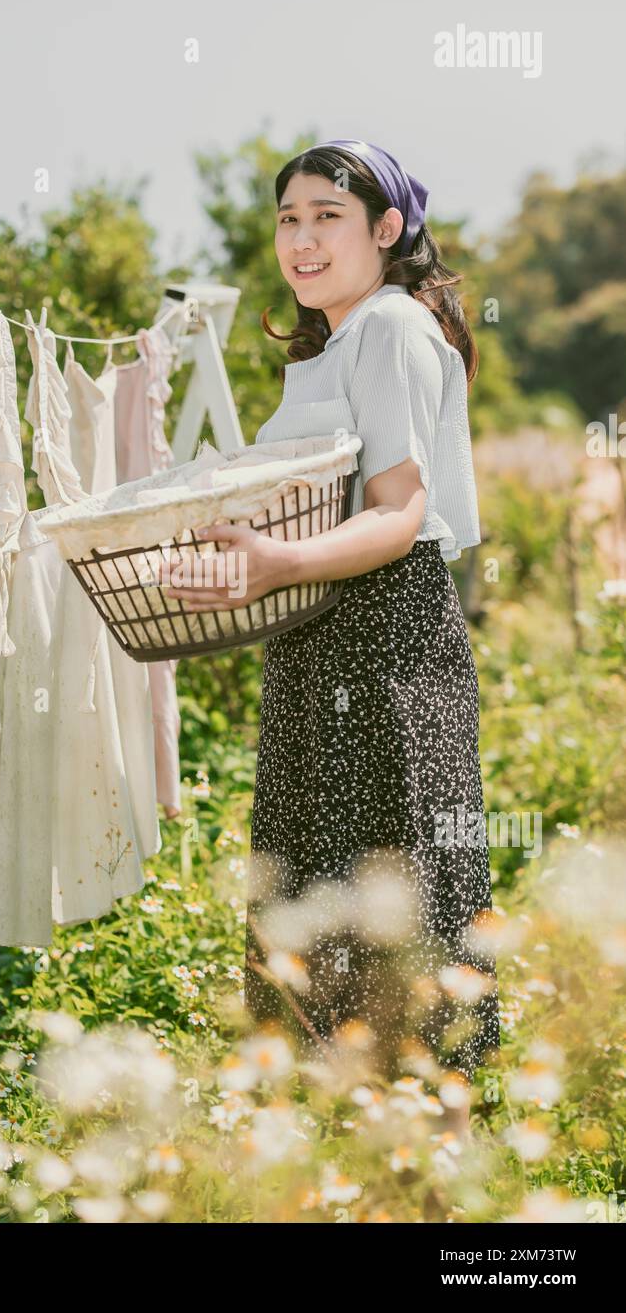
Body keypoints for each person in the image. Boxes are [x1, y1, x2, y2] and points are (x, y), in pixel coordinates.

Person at [165, 139, 500, 1139]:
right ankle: (335, 1142)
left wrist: (271, 565)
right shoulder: (333, 342)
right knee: (322, 882)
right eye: (287, 220)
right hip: (324, 635)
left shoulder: (392, 324)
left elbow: (398, 513)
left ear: (384, 230)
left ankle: (417, 1149)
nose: (302, 241)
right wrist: (247, 558)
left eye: (327, 217)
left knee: (387, 886)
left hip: (385, 635)